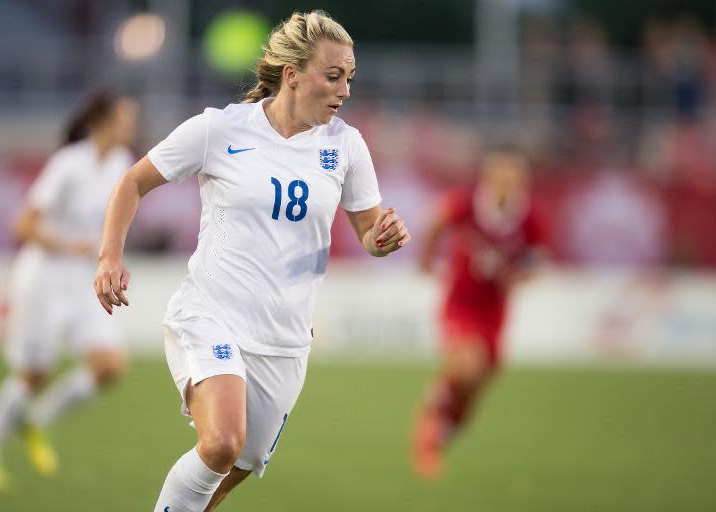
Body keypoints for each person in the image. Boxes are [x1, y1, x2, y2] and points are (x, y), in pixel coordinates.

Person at [93, 11, 411, 512]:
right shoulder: (218, 129)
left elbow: (369, 231)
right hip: (211, 314)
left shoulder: (345, 145)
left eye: (349, 78)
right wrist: (110, 256)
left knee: (231, 467)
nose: (345, 90)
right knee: (222, 441)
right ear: (292, 75)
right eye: (333, 77)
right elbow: (132, 181)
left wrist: (383, 237)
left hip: (285, 342)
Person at [0, 91, 138, 492]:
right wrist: (67, 245)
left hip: (82, 281)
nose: (131, 125)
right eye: (125, 118)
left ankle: (35, 419)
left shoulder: (121, 164)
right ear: (101, 121)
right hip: (42, 278)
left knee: (110, 366)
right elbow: (22, 227)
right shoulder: (69, 163)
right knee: (34, 373)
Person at [411, 147, 547, 479]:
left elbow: (534, 266)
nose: (506, 188)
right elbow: (437, 219)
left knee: (477, 384)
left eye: (513, 182)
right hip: (460, 302)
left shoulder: (529, 219)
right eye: (500, 181)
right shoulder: (469, 203)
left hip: (494, 310)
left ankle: (445, 429)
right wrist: (427, 258)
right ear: (488, 181)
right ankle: (430, 415)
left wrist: (511, 277)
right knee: (468, 365)